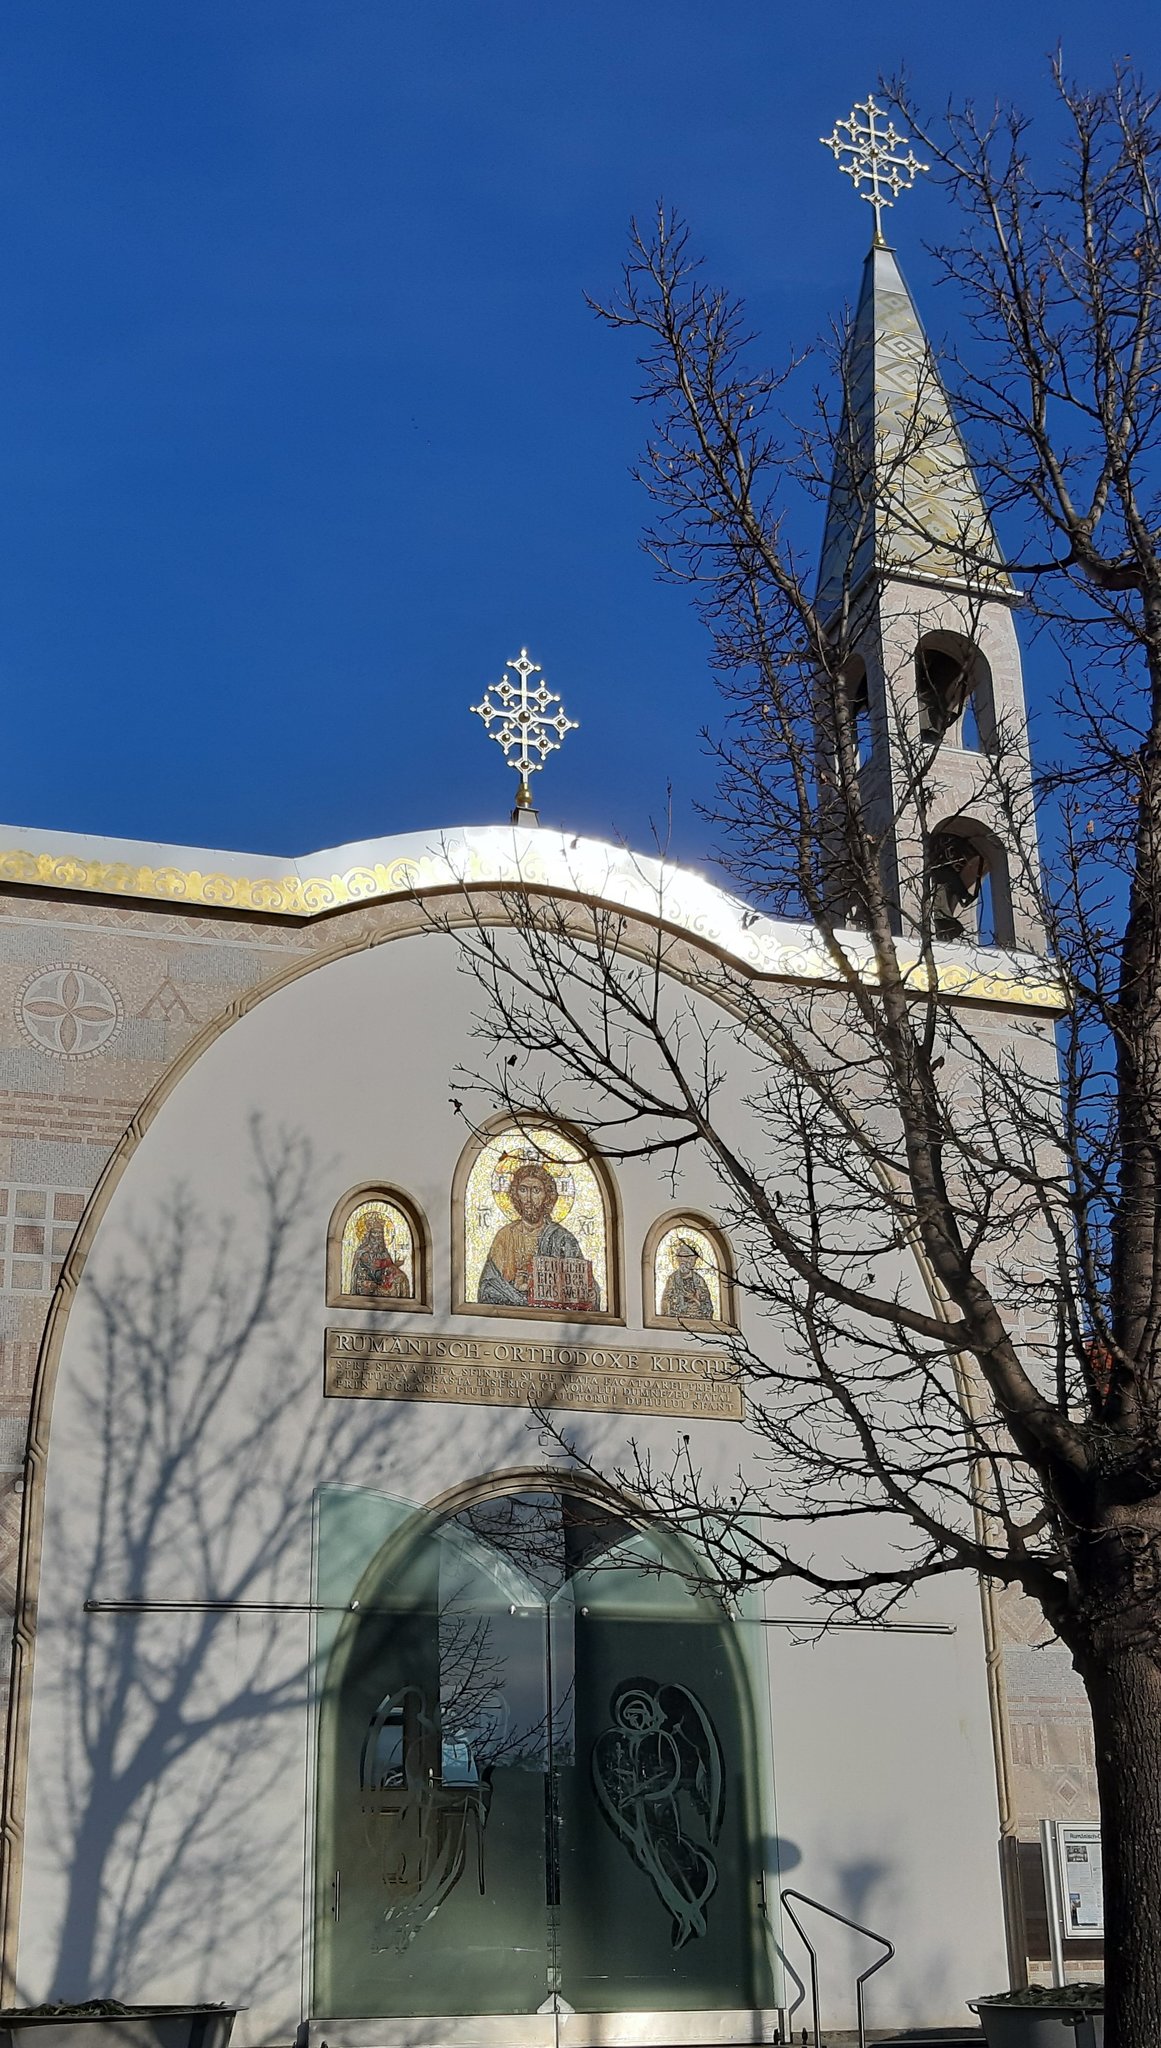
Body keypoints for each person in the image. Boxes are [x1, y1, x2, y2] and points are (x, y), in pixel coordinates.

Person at [477, 1158, 599, 1310]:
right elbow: (487, 1288)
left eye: (536, 1190)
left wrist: (591, 1294)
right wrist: (515, 1289)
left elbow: (581, 1283)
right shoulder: (505, 1236)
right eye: (523, 1190)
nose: (528, 1198)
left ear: (547, 1196)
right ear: (515, 1195)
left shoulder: (562, 1238)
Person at [349, 1209, 411, 1299]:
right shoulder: (362, 1252)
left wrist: (395, 1266)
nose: (377, 1235)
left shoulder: (384, 1252)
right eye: (375, 1232)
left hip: (382, 1284)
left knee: (402, 1278)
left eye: (380, 1232)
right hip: (367, 1285)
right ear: (369, 1234)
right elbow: (358, 1273)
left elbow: (389, 1269)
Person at [660, 1240, 715, 1321]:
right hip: (678, 1318)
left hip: (697, 1319)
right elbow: (665, 1302)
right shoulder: (672, 1279)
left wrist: (698, 1302)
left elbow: (708, 1306)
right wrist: (681, 1302)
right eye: (681, 1259)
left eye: (688, 1259)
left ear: (693, 1261)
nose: (684, 1262)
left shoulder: (699, 1280)